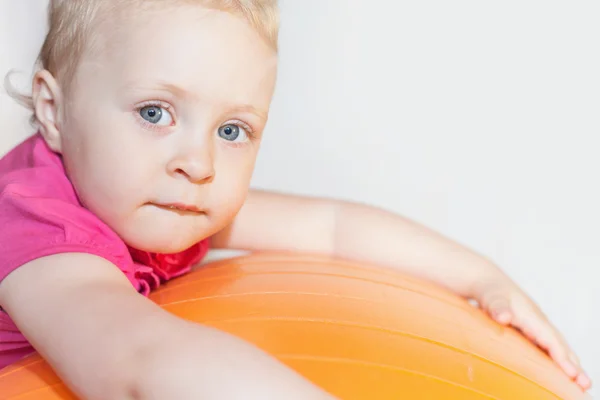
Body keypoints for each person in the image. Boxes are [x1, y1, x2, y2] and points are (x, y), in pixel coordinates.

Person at [0, 1, 590, 398]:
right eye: (155, 113)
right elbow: (137, 362)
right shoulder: (37, 232)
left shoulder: (157, 190)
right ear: (54, 111)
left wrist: (484, 279)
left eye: (232, 130)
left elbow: (332, 227)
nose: (200, 163)